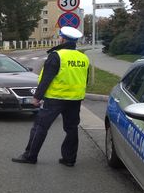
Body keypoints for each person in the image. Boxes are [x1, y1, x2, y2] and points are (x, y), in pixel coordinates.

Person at [11, 26, 90, 166]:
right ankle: (69, 159)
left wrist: (37, 97)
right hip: (75, 99)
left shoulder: (57, 55)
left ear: (62, 38)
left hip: (55, 98)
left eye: (60, 37)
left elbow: (46, 78)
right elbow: (85, 79)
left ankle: (30, 156)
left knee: (40, 127)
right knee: (71, 129)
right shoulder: (83, 58)